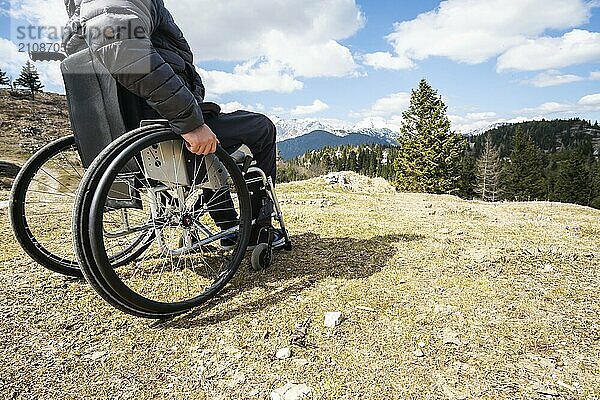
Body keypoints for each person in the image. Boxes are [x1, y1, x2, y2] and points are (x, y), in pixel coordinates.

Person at [62, 0, 285, 248]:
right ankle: (256, 228)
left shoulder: (80, 17)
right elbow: (120, 47)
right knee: (261, 127)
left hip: (130, 131)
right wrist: (189, 122)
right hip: (163, 125)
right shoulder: (112, 5)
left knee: (212, 140)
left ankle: (229, 226)